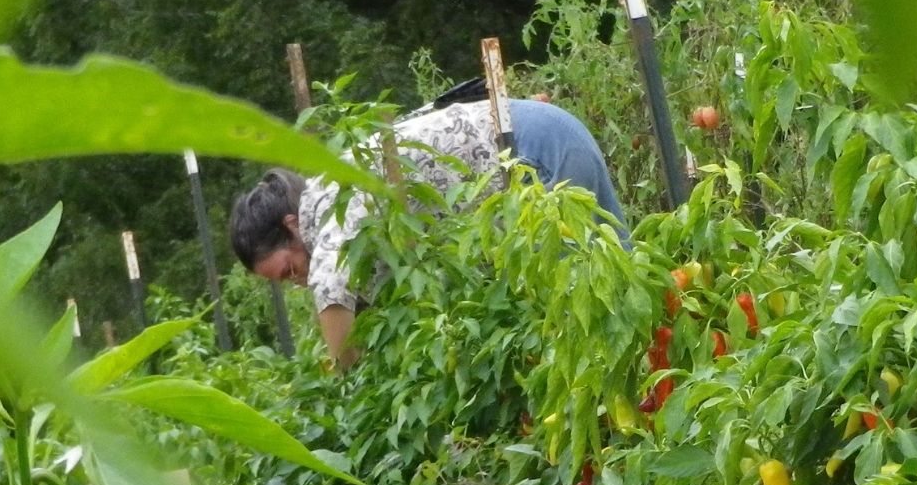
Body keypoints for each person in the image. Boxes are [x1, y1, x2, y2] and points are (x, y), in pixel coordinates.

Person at [229, 88, 627, 369]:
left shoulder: (331, 203)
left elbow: (330, 291)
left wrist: (345, 384)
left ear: (291, 225)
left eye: (290, 269)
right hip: (547, 134)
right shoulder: (335, 200)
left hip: (533, 148)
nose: (298, 280)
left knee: (589, 308)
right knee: (624, 275)